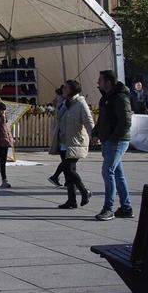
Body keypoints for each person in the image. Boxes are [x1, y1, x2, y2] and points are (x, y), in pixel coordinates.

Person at [92, 70, 133, 221]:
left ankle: (108, 208)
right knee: (117, 174)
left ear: (108, 82)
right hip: (109, 139)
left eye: (100, 80)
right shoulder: (106, 98)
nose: (98, 83)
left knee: (107, 172)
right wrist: (96, 132)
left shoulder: (120, 97)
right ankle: (126, 207)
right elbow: (103, 119)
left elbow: (126, 121)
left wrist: (114, 138)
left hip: (117, 141)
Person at [53, 79, 93, 209]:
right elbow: (58, 118)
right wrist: (60, 104)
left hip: (75, 141)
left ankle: (84, 191)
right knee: (67, 172)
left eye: (65, 88)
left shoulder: (81, 104)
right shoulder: (64, 103)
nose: (63, 90)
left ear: (71, 90)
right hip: (64, 141)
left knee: (69, 169)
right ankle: (71, 200)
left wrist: (95, 135)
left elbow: (88, 121)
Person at [46, 85, 68, 187]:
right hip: (63, 134)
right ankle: (57, 177)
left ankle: (61, 178)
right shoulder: (63, 103)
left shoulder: (59, 102)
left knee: (67, 160)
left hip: (60, 133)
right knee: (68, 161)